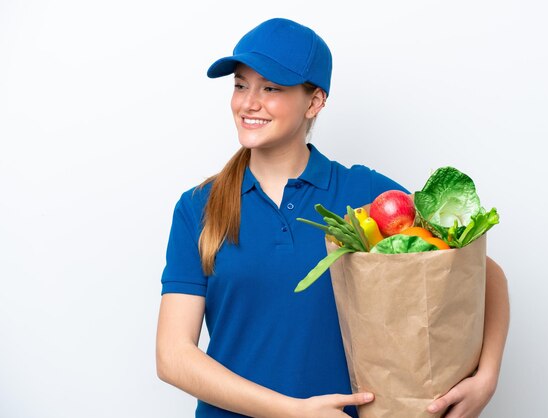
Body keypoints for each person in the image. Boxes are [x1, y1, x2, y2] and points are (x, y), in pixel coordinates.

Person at [156, 17, 510, 418]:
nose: (248, 103)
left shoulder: (364, 194)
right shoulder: (199, 207)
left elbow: (480, 271)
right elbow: (173, 356)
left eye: (271, 88)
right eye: (240, 85)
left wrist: (486, 377)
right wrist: (293, 411)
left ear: (315, 101)